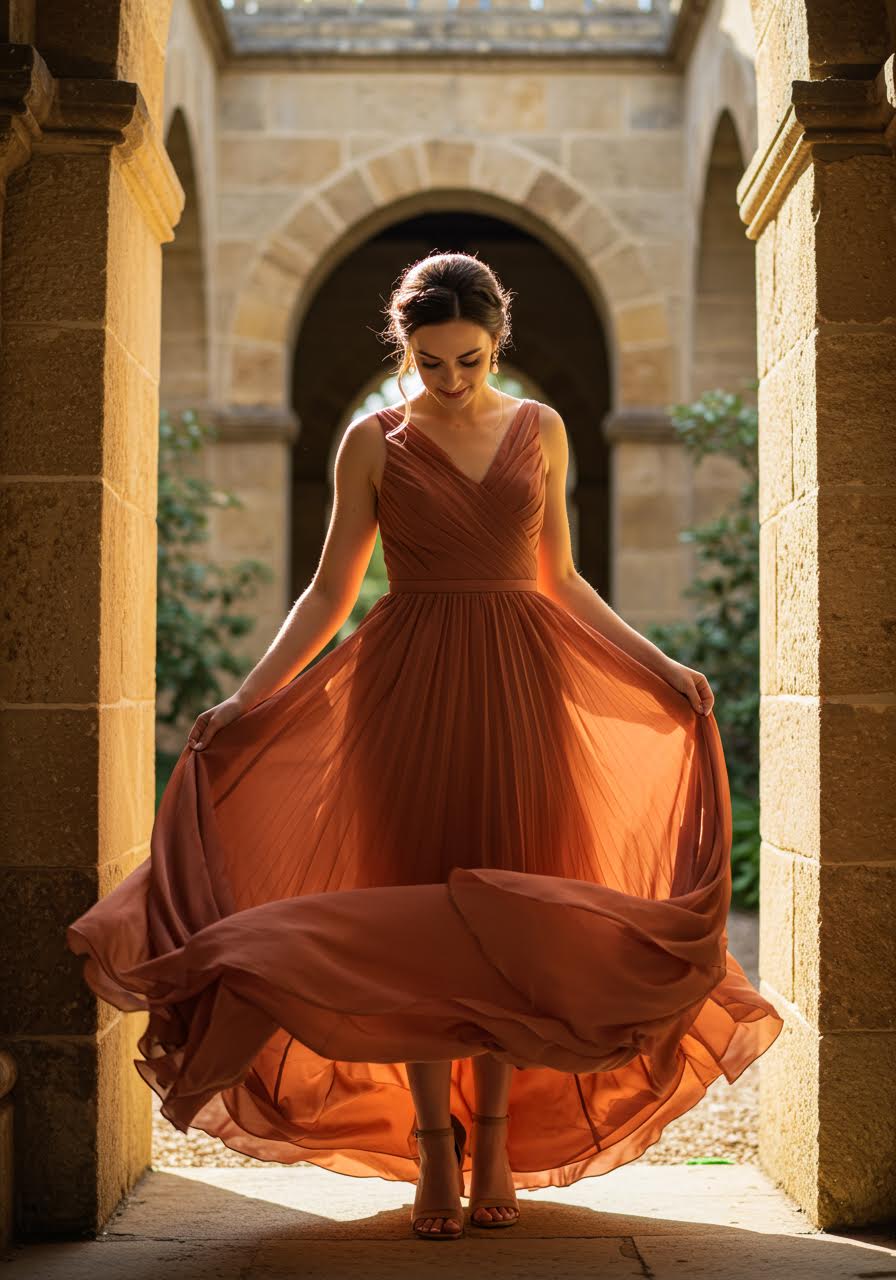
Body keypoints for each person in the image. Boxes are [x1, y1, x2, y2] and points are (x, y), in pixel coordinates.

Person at [67, 251, 784, 1243]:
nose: (449, 380)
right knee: (412, 924)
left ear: (497, 340)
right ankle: (433, 1147)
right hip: (398, 698)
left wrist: (659, 664)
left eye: (470, 359)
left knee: (505, 920)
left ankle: (491, 1139)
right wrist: (247, 696)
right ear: (403, 348)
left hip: (522, 694)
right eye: (429, 361)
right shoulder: (371, 442)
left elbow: (561, 577)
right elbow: (328, 591)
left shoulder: (541, 429)